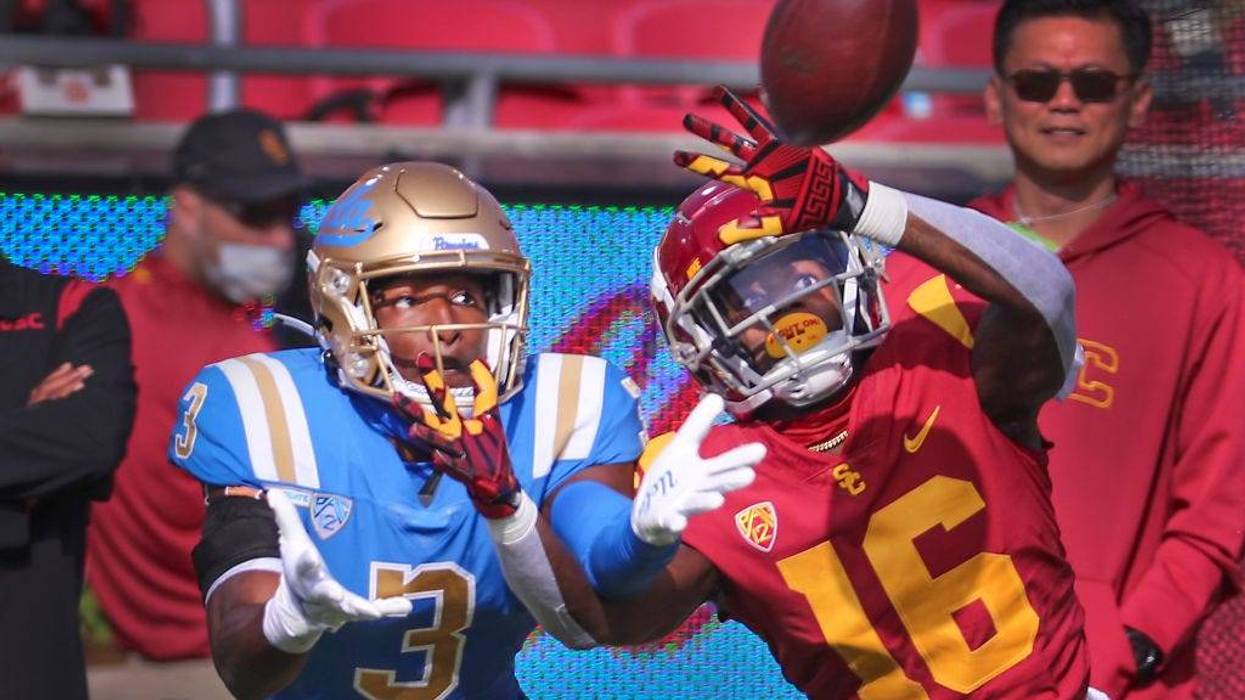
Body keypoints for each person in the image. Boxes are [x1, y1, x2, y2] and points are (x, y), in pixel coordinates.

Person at [489, 86, 1098, 699]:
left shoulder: (937, 346)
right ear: (697, 337)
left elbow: (1047, 294)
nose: (778, 305)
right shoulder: (709, 472)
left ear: (848, 263)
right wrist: (615, 539)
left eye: (795, 268)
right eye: (742, 296)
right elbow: (598, 625)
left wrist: (866, 204)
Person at [168, 161, 761, 699]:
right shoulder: (263, 407)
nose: (446, 325)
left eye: (465, 294)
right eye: (405, 298)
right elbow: (242, 667)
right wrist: (288, 622)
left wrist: (642, 538)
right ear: (343, 309)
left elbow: (599, 574)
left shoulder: (559, 402)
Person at [968, 1, 1245, 696]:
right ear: (996, 98)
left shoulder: (1205, 280)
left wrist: (1125, 650)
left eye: (1092, 83)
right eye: (1036, 82)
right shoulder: (935, 262)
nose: (1064, 102)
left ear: (1137, 99)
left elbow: (1220, 512)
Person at [87, 108, 308, 662]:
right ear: (186, 208)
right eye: (255, 215)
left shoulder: (97, 312)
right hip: (204, 653)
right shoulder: (99, 324)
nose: (280, 238)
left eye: (288, 214)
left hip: (228, 644)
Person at [0, 253, 135, 699]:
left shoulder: (74, 305)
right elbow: (54, 453)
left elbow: (88, 443)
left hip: (26, 665)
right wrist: (23, 479)